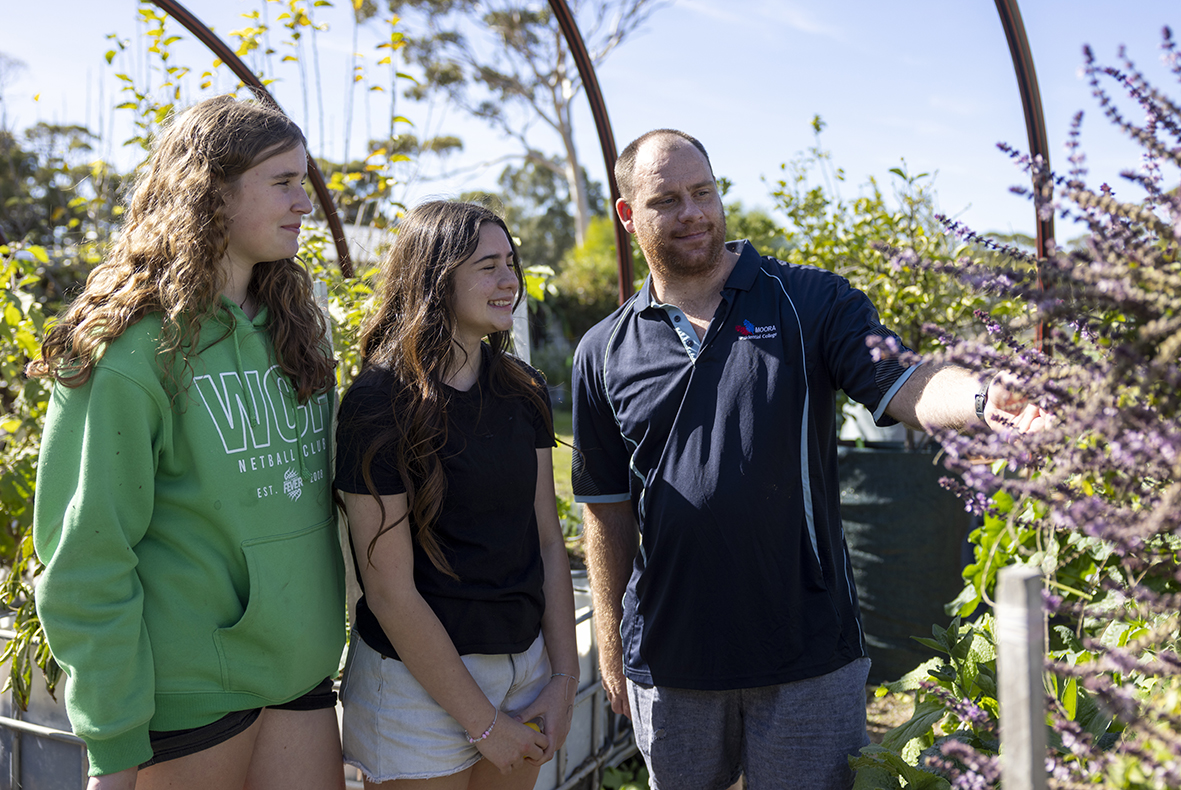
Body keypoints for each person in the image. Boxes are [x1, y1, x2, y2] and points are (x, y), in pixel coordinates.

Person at [570, 129, 1051, 790]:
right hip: (670, 655)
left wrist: (980, 397)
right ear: (628, 215)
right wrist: (607, 640)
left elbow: (901, 380)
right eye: (667, 200)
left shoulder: (807, 301)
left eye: (703, 192)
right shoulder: (603, 349)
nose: (693, 213)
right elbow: (604, 508)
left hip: (806, 650)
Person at [29, 95, 347, 790]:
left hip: (300, 677)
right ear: (211, 193)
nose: (305, 203)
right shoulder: (129, 351)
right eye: (282, 183)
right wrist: (112, 741)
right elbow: (86, 557)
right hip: (188, 697)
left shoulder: (298, 327)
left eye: (304, 181)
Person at [333, 200, 580, 789]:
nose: (508, 281)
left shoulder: (523, 391)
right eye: (487, 266)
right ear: (436, 281)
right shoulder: (378, 402)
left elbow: (547, 543)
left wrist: (564, 677)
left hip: (524, 674)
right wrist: (482, 725)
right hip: (416, 689)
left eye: (510, 264)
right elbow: (389, 592)